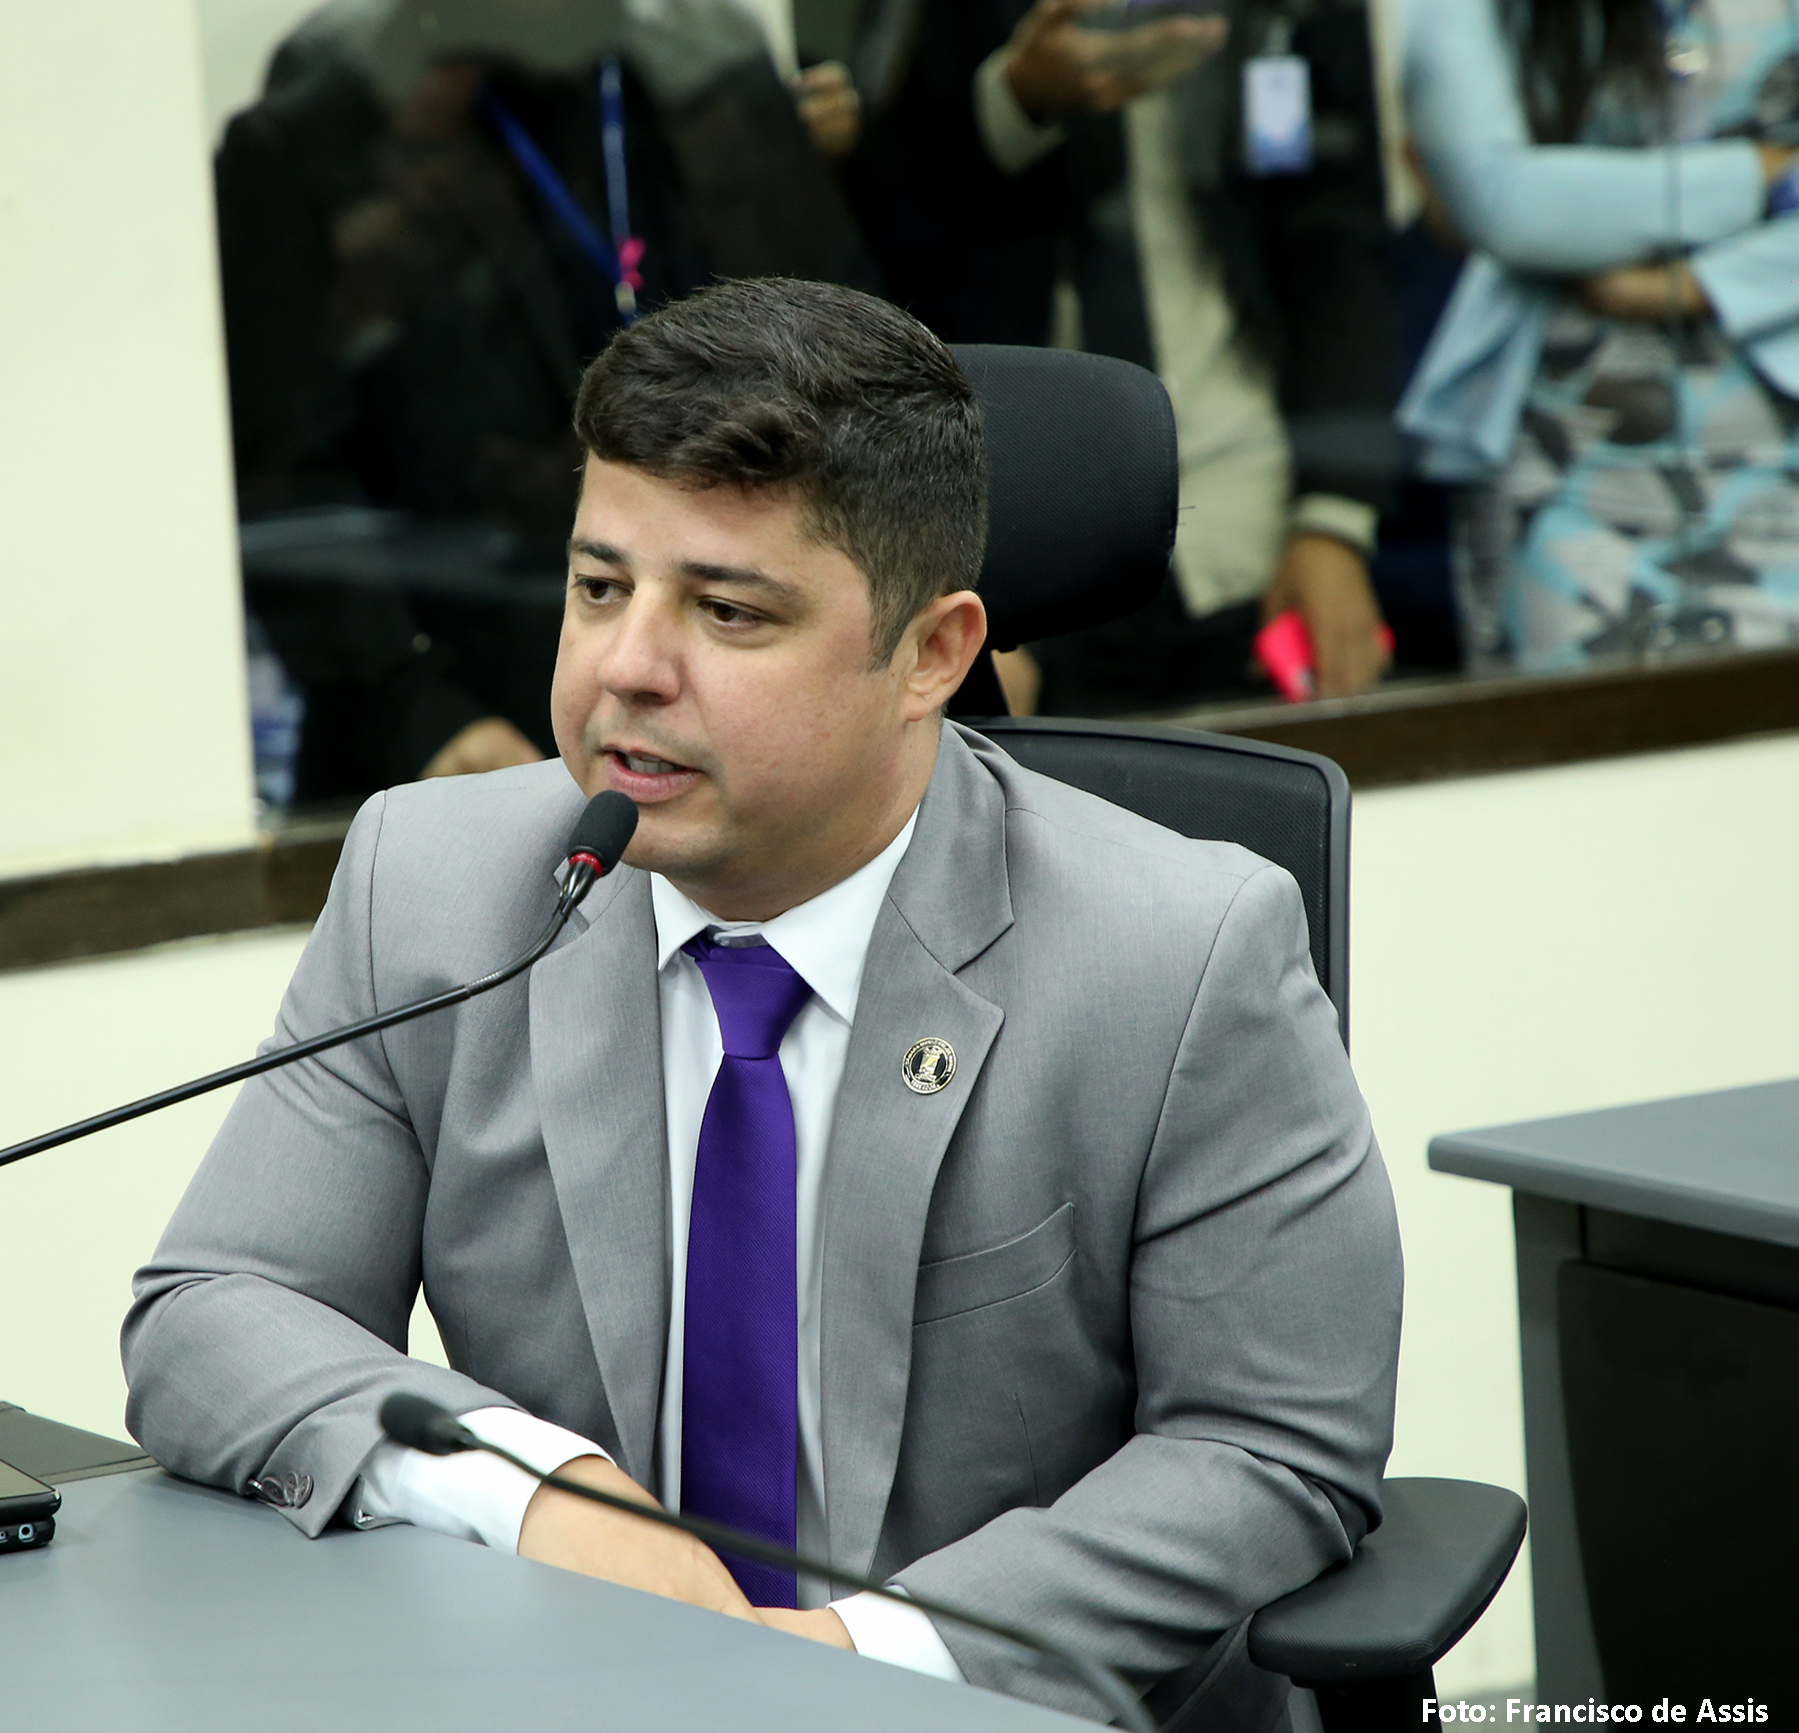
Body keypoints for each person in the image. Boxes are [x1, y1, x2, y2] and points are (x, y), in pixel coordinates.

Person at [124, 279, 1402, 1727]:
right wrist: (540, 1490)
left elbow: (1270, 1442)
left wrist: (856, 1662)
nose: (626, 668)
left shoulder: (1177, 950)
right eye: (599, 588)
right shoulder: (434, 885)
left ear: (932, 653)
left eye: (727, 611)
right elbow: (216, 1309)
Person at [221, 0, 875, 800]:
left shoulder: (691, 78)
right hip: (461, 718)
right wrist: (418, 713)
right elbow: (286, 475)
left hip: (730, 693)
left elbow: (848, 380)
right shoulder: (316, 130)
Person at [846, 0, 1401, 707]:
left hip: (1245, 497)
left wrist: (1336, 518)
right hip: (1016, 524)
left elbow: (1340, 247)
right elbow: (884, 226)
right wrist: (1017, 101)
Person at [1400, 0, 1799, 670]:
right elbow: (1500, 199)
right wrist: (1763, 175)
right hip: (1569, 465)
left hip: (1773, 457)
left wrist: (1694, 285)